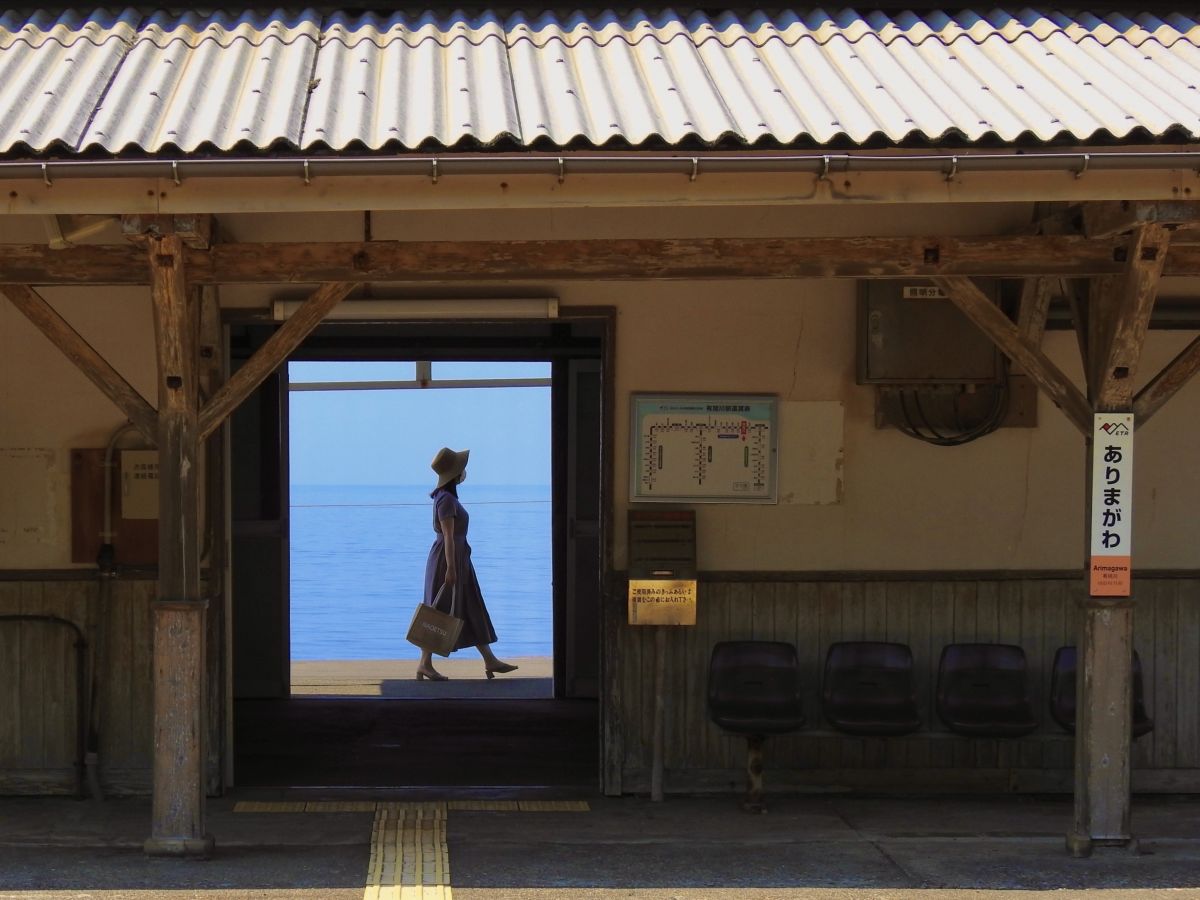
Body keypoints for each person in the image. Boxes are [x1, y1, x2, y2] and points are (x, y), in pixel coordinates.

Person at [417, 446, 519, 682]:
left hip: (458, 558)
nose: (465, 472)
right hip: (448, 559)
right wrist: (451, 568)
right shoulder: (446, 500)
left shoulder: (447, 498)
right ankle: (424, 664)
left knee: (471, 605)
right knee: (438, 610)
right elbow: (449, 536)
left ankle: (489, 659)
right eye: (462, 469)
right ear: (455, 474)